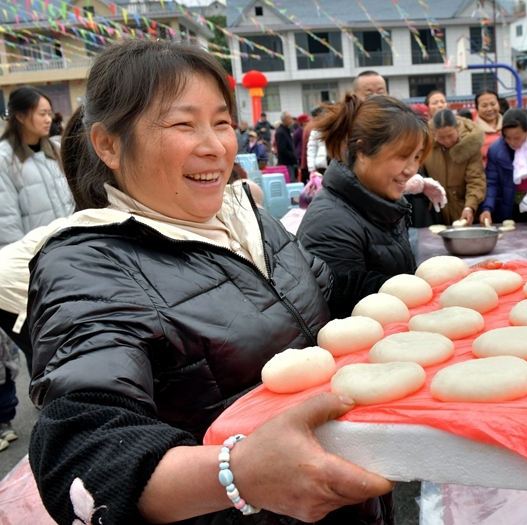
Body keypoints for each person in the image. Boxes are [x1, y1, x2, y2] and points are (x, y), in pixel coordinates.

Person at [27, 39, 395, 525]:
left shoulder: (248, 219)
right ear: (109, 145)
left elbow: (329, 297)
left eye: (222, 123)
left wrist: (425, 293)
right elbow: (83, 450)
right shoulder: (88, 265)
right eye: (183, 125)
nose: (215, 146)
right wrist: (238, 474)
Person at [297, 93, 433, 276]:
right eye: (402, 156)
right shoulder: (331, 226)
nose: (411, 170)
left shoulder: (384, 204)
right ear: (362, 151)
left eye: (416, 157)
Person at [0, 85, 73, 397]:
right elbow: (6, 220)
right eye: (41, 113)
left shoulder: (54, 150)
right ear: (20, 116)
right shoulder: (4, 159)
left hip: (66, 256)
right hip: (31, 264)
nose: (48, 119)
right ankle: (45, 401)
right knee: (40, 342)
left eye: (48, 113)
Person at [480, 108, 527, 224]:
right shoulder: (496, 150)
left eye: (517, 138)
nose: (512, 142)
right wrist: (487, 208)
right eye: (507, 137)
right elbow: (492, 182)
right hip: (509, 205)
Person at [421, 108, 485, 225]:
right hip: (436, 212)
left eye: (450, 135)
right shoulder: (426, 143)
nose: (447, 141)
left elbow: (475, 180)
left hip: (463, 210)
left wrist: (470, 207)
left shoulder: (470, 145)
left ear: (458, 128)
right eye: (441, 137)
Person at [474, 89, 503, 164]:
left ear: (499, 104)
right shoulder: (471, 131)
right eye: (484, 106)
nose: (489, 109)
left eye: (493, 104)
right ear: (477, 108)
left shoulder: (509, 124)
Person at [275, 110, 298, 181]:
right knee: (290, 182)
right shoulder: (281, 132)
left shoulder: (287, 130)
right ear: (284, 120)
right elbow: (282, 149)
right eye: (289, 119)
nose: (291, 121)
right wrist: (293, 155)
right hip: (286, 164)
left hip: (291, 163)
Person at [307, 107, 329, 174]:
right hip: (322, 166)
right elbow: (311, 150)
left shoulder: (337, 130)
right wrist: (312, 169)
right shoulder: (316, 131)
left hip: (334, 166)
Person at [294, 113, 310, 180]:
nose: (309, 122)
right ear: (303, 123)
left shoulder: (308, 130)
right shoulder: (297, 132)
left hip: (307, 154)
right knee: (303, 173)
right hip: (300, 156)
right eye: (307, 121)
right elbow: (294, 143)